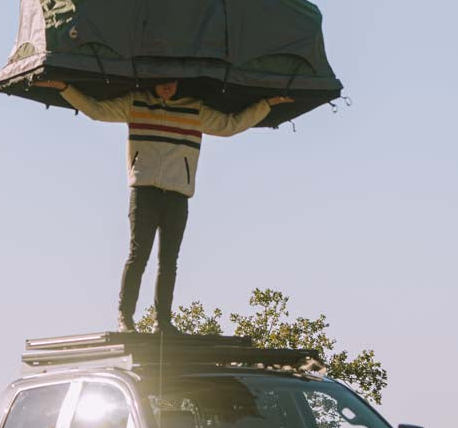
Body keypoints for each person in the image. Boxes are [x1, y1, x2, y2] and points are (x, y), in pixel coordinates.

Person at [34, 79, 293, 334]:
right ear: (152, 81)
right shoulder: (135, 103)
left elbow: (230, 125)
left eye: (172, 82)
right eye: (162, 82)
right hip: (144, 192)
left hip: (178, 195)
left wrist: (267, 104)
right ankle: (125, 317)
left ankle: (163, 321)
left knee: (169, 261)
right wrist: (66, 88)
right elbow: (96, 110)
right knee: (138, 255)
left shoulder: (194, 108)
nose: (168, 87)